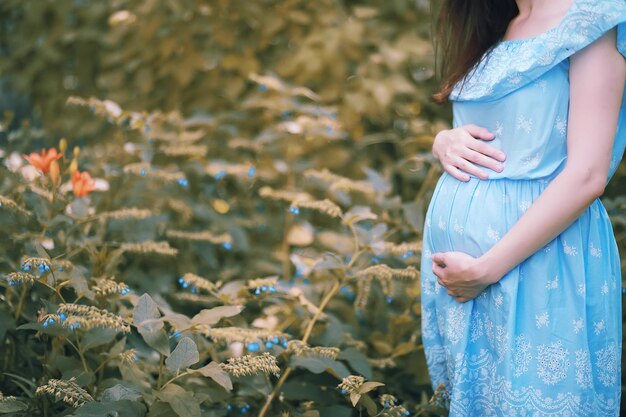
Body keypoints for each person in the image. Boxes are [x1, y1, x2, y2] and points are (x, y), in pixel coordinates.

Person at [420, 0, 626, 414]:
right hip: (470, 285)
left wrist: (486, 269)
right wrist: (444, 140)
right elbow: (502, 128)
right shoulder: (501, 22)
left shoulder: (592, 22)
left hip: (540, 266)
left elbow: (587, 175)